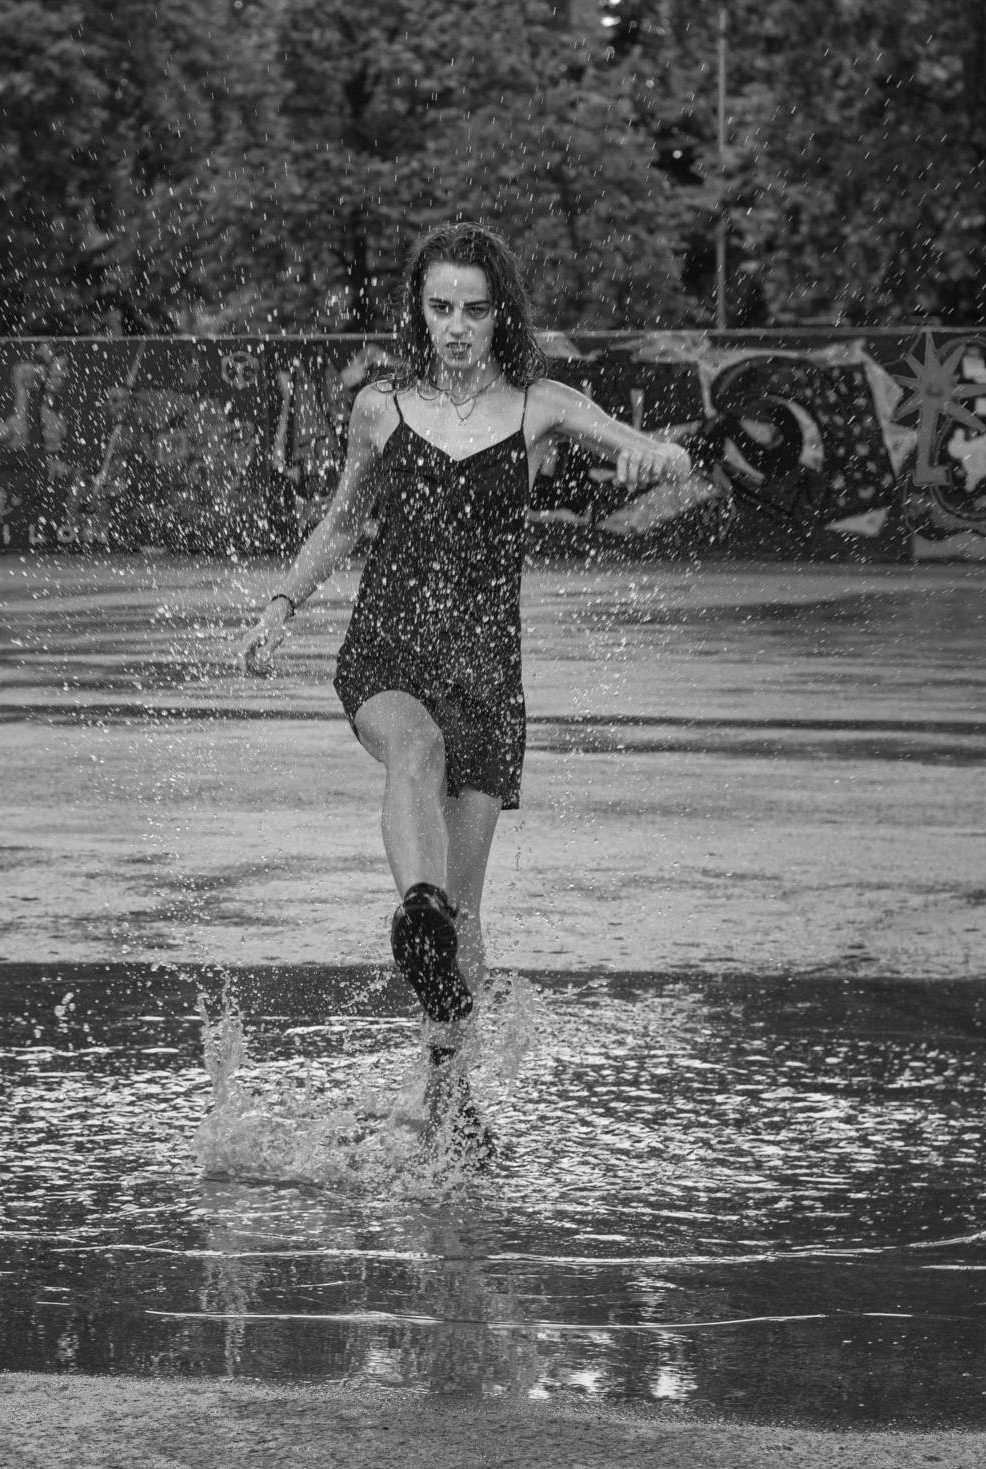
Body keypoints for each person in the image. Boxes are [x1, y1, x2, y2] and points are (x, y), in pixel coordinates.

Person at [238, 221, 691, 1077]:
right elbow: (342, 523)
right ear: (418, 311)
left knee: (469, 922)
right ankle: (417, 912)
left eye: (473, 311)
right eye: (440, 307)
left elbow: (659, 455)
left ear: (499, 315)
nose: (456, 326)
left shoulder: (540, 406)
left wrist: (659, 461)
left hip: (484, 674)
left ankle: (449, 1086)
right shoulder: (380, 408)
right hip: (388, 649)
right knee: (416, 748)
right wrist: (279, 606)